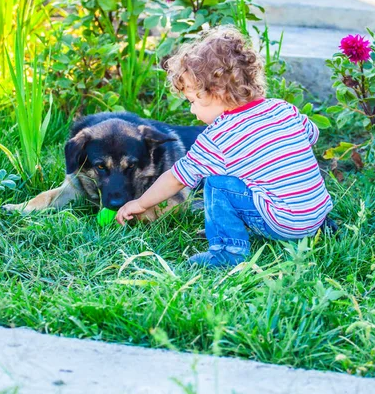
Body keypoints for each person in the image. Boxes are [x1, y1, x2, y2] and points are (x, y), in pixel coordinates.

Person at [116, 26, 335, 268]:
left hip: (284, 223)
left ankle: (227, 251)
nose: (192, 110)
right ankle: (308, 226)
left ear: (217, 92)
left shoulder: (218, 137)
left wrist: (141, 203)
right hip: (316, 216)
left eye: (193, 101)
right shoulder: (283, 109)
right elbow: (310, 136)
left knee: (217, 183)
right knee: (246, 175)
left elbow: (177, 179)